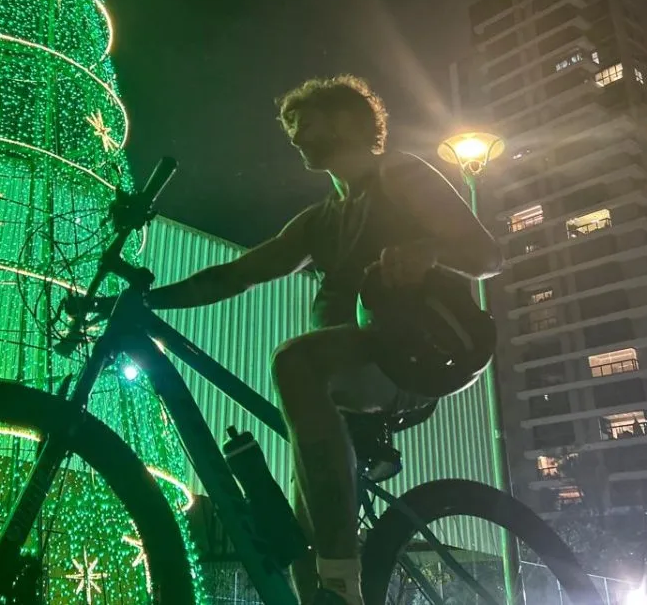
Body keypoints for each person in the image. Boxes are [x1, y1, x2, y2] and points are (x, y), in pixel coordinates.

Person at [144, 75, 502, 605]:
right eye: (290, 127)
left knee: (295, 361)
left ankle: (340, 576)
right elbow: (236, 274)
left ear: (350, 122)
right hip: (348, 370)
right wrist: (146, 302)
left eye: (305, 121)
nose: (294, 134)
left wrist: (426, 250)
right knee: (302, 546)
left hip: (414, 355)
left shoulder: (401, 176)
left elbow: (487, 256)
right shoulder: (319, 222)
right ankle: (329, 587)